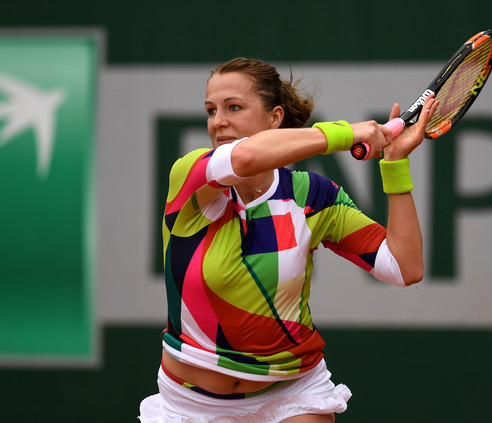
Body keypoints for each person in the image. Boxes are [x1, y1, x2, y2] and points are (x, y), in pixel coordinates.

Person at [139, 57, 439, 423]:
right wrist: (346, 133)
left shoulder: (314, 196)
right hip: (192, 404)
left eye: (234, 107)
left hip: (292, 388)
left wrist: (394, 165)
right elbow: (247, 157)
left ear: (275, 118)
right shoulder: (191, 177)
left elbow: (404, 266)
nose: (218, 121)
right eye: (211, 110)